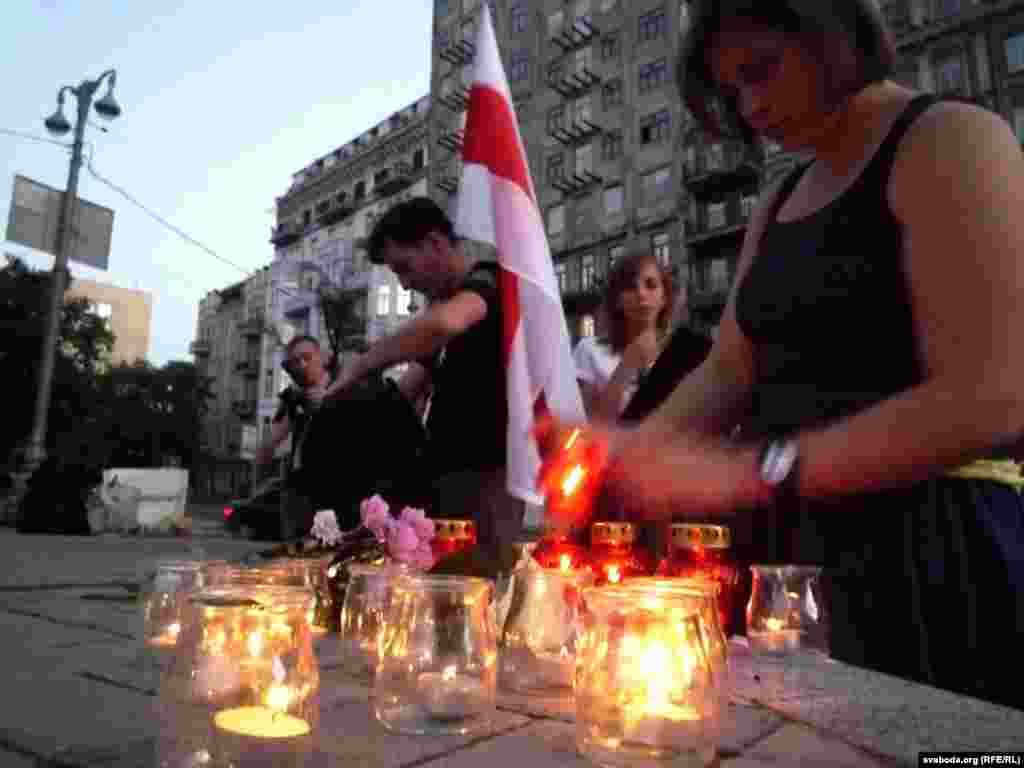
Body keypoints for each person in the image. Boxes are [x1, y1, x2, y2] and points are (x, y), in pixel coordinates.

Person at [540, 0, 1024, 710]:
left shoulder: (951, 138)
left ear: (834, 35)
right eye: (731, 90)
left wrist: (753, 473)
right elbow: (730, 368)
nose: (750, 106)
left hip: (932, 548)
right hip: (794, 555)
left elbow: (992, 393)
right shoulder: (780, 198)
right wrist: (623, 455)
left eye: (761, 71)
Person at [325, 197, 522, 571]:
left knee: (471, 592)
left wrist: (360, 366)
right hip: (441, 479)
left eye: (405, 267)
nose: (405, 283)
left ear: (435, 243)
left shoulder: (489, 282)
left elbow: (445, 324)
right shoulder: (443, 312)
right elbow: (410, 387)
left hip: (485, 482)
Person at [573, 252, 676, 422]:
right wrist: (627, 365)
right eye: (630, 287)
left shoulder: (683, 354)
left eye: (651, 285)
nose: (641, 294)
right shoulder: (589, 350)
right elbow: (589, 425)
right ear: (617, 300)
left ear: (664, 297)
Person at [254, 335, 332, 538]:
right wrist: (265, 452)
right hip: (298, 488)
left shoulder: (340, 386)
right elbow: (273, 437)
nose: (302, 365)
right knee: (296, 546)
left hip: (332, 487)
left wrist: (327, 401)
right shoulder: (293, 395)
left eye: (307, 357)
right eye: (296, 362)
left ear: (322, 357)